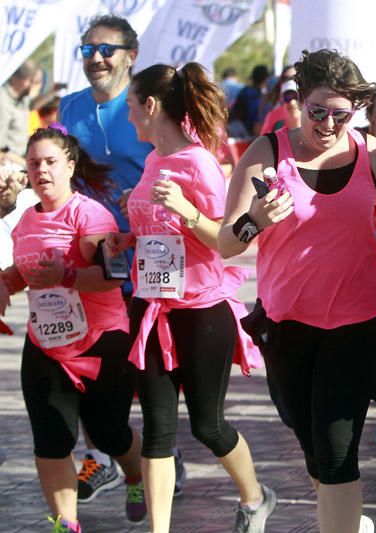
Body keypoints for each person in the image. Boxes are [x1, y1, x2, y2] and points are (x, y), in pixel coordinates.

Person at [218, 48, 376, 533]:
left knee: (336, 447)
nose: (326, 123)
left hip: (358, 321)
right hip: (288, 325)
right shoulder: (267, 152)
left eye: (340, 115)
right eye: (317, 111)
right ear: (299, 102)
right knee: (312, 444)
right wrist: (254, 222)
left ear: (355, 112)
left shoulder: (370, 153)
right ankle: (346, 519)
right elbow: (225, 243)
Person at [101, 61, 274, 533]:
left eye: (131, 106)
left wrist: (185, 209)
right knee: (158, 428)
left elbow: (229, 238)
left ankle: (255, 496)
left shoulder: (199, 162)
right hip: (153, 307)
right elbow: (161, 233)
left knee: (207, 426)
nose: (128, 116)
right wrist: (128, 238)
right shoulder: (154, 159)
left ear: (151, 106)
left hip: (201, 312)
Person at [57, 13, 188, 503]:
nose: (95, 58)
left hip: (151, 255)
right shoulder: (68, 109)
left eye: (105, 49)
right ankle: (106, 457)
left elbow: (183, 163)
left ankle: (159, 450)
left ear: (130, 55)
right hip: (96, 256)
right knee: (94, 364)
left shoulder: (151, 109)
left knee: (151, 365)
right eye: (87, 49)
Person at [1, 125, 145, 532]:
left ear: (69, 165)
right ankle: (66, 523)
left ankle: (134, 476)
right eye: (33, 164)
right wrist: (6, 282)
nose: (41, 170)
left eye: (50, 162)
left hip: (100, 342)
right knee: (51, 439)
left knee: (110, 434)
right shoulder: (26, 220)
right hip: (46, 344)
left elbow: (115, 276)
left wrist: (67, 275)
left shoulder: (91, 214)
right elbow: (26, 273)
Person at [230, 65, 271, 136]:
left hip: (239, 130)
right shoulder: (255, 96)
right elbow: (255, 122)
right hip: (247, 135)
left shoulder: (245, 90)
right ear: (266, 79)